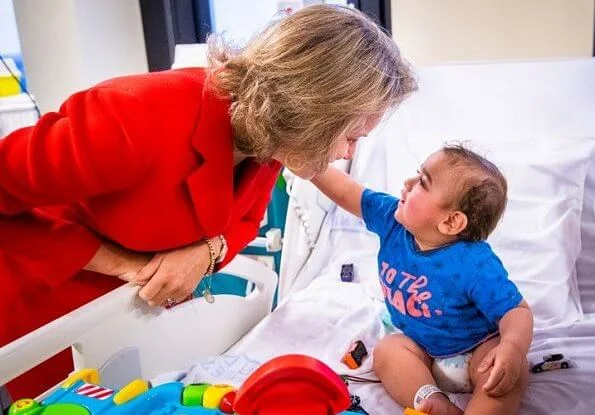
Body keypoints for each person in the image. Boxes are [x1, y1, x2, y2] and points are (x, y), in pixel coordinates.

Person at [0, 5, 417, 399]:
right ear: (312, 110)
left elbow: (244, 221)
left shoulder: (270, 140)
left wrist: (206, 251)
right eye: (351, 136)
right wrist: (118, 263)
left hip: (131, 318)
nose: (347, 154)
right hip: (45, 307)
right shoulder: (131, 119)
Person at [311, 144, 533, 415]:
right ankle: (433, 401)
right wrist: (309, 165)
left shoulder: (474, 263)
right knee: (388, 351)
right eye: (417, 174)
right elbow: (347, 192)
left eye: (422, 183)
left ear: (451, 222)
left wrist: (511, 347)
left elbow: (516, 311)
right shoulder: (393, 221)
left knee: (509, 374)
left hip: (477, 348)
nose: (408, 182)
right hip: (421, 348)